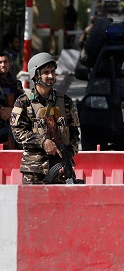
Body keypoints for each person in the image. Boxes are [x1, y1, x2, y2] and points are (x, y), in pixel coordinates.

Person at [10, 53, 80, 184]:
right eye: (46, 72)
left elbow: (75, 133)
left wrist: (67, 157)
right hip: (34, 170)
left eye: (53, 71)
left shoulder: (65, 101)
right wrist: (42, 141)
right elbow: (18, 132)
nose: (51, 76)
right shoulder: (24, 102)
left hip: (61, 170)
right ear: (36, 75)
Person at [0, 52, 23, 148]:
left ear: (9, 63)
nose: (2, 65)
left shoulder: (15, 84)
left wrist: (12, 111)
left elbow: (23, 103)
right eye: (0, 62)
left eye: (5, 62)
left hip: (13, 123)